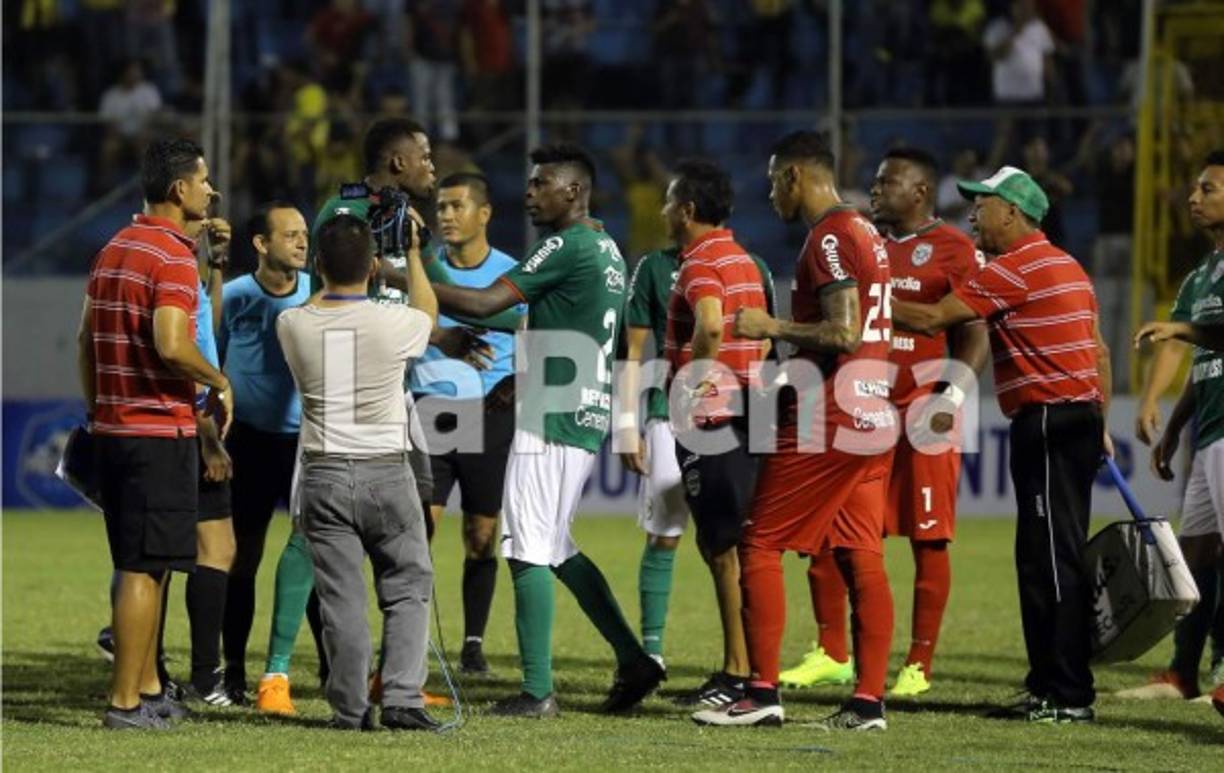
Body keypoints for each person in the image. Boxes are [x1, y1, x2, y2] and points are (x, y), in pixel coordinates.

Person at [430, 143, 665, 717]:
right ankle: (634, 660)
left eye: (540, 184)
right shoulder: (605, 247)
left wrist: (406, 275)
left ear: (573, 191)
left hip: (552, 417)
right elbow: (528, 315)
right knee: (556, 547)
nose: (529, 194)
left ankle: (537, 691)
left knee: (526, 549)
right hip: (577, 409)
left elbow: (487, 303)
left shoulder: (564, 244)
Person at [893, 164, 1112, 723]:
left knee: (1052, 560)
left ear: (1013, 213)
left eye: (982, 204)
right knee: (1044, 556)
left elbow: (932, 318)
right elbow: (1101, 354)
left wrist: (862, 296)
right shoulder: (1068, 266)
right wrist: (1101, 423)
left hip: (1046, 422)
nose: (972, 214)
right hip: (1075, 419)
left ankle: (1067, 695)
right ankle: (1048, 686)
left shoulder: (1015, 268)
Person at [700, 130, 897, 730]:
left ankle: (760, 695)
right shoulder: (866, 231)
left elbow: (843, 331)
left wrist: (770, 326)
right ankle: (867, 702)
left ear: (793, 177)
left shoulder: (832, 235)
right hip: (873, 409)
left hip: (831, 416)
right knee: (860, 553)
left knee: (758, 543)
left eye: (772, 181)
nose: (769, 194)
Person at [781, 148, 989, 698]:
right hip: (858, 404)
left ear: (921, 191)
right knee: (828, 528)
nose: (875, 190)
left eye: (888, 182)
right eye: (874, 181)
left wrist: (953, 396)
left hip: (925, 405)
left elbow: (974, 333)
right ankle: (831, 652)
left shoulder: (955, 249)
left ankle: (919, 664)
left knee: (929, 538)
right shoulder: (860, 238)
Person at [77, 137, 232, 729]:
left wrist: (101, 412)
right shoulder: (170, 256)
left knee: (144, 559)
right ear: (179, 190)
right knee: (146, 567)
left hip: (116, 429)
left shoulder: (113, 248)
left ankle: (147, 687)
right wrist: (218, 381)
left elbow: (87, 342)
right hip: (155, 432)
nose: (210, 191)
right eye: (204, 181)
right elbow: (172, 343)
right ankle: (124, 704)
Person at [277, 213, 440, 732]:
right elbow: (428, 311)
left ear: (318, 264)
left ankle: (349, 710)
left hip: (324, 471)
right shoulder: (396, 323)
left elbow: (309, 305)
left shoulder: (292, 324)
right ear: (374, 267)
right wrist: (411, 254)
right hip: (387, 472)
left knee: (341, 599)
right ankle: (401, 698)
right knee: (408, 584)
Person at [617, 211, 776, 695]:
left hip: (733, 417)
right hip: (668, 414)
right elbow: (633, 350)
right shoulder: (653, 267)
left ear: (687, 210)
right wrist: (627, 423)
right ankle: (654, 652)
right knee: (665, 533)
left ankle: (748, 668)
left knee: (732, 546)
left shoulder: (751, 265)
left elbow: (766, 341)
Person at [654, 159, 771, 709]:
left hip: (714, 422)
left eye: (669, 201)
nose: (662, 211)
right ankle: (750, 668)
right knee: (742, 546)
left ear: (688, 210)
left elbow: (712, 323)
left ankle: (736, 673)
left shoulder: (699, 261)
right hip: (751, 413)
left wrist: (694, 383)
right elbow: (763, 339)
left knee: (720, 547)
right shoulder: (744, 259)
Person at [408, 172, 524, 675]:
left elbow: (536, 340)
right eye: (441, 207)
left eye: (457, 206)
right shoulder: (420, 271)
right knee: (419, 530)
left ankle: (472, 643)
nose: (446, 215)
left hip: (489, 414)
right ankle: (410, 640)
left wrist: (518, 381)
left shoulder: (513, 275)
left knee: (482, 533)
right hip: (430, 406)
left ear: (485, 214)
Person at [1127, 151, 1224, 706]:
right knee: (1197, 554)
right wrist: (1170, 424)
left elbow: (1193, 334)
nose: (1193, 198)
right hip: (1209, 429)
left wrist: (1181, 328)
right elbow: (1198, 355)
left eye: (1207, 189)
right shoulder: (1202, 274)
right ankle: (1183, 674)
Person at [218, 201, 312, 710]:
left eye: (304, 233)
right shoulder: (233, 296)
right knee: (243, 559)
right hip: (248, 442)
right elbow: (211, 361)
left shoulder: (318, 294)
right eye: (291, 234)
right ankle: (232, 668)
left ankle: (332, 664)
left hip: (305, 444)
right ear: (261, 243)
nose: (302, 241)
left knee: (318, 554)